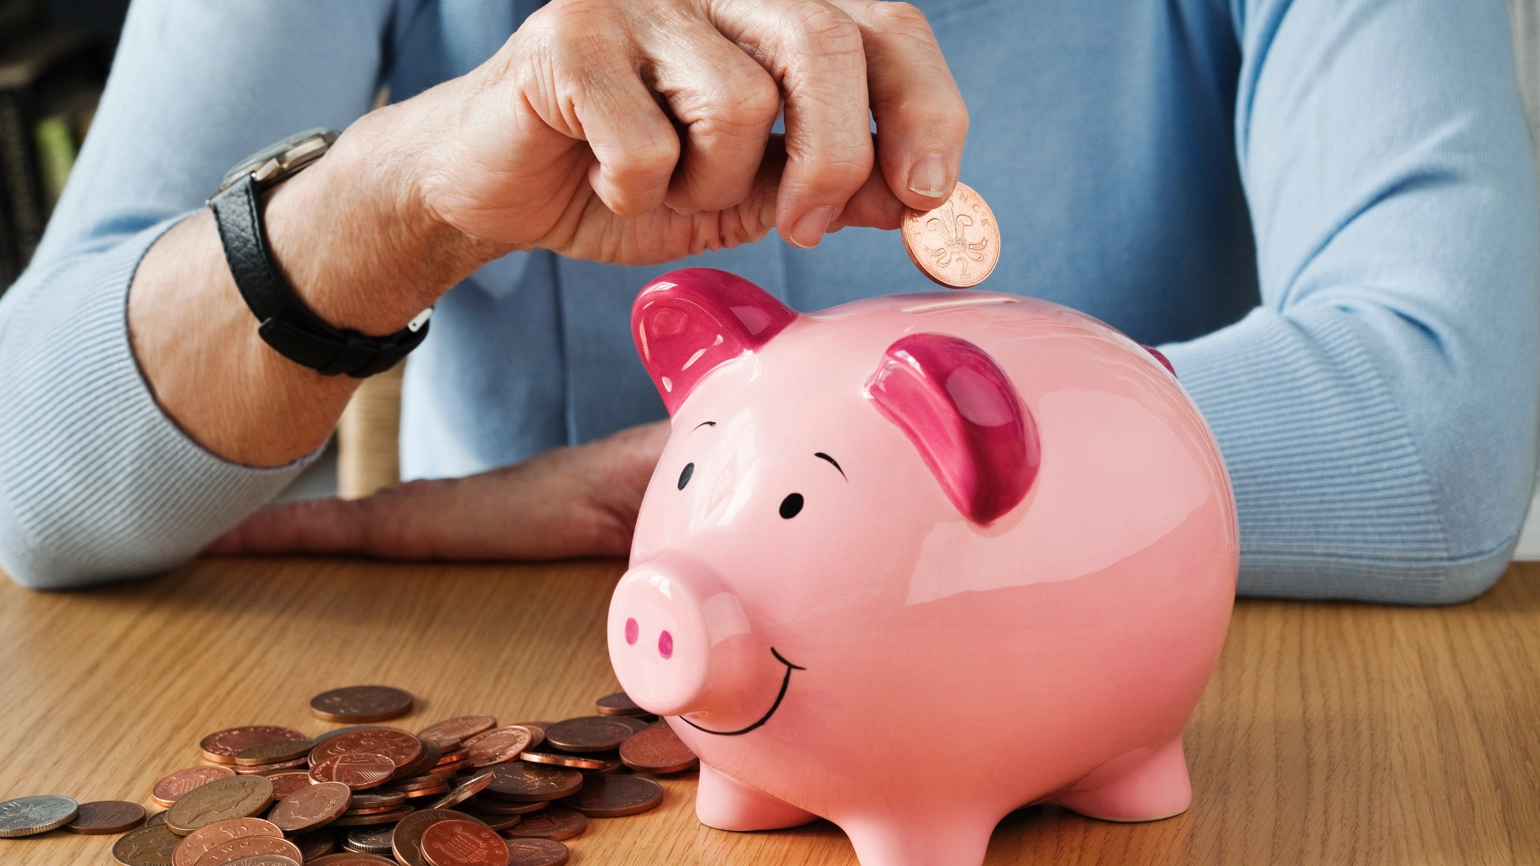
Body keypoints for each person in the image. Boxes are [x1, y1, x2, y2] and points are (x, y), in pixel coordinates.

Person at [0, 0, 1535, 603]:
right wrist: (387, 201)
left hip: (1125, 734)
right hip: (555, 718)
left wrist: (740, 479)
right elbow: (33, 467)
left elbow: (1437, 431)